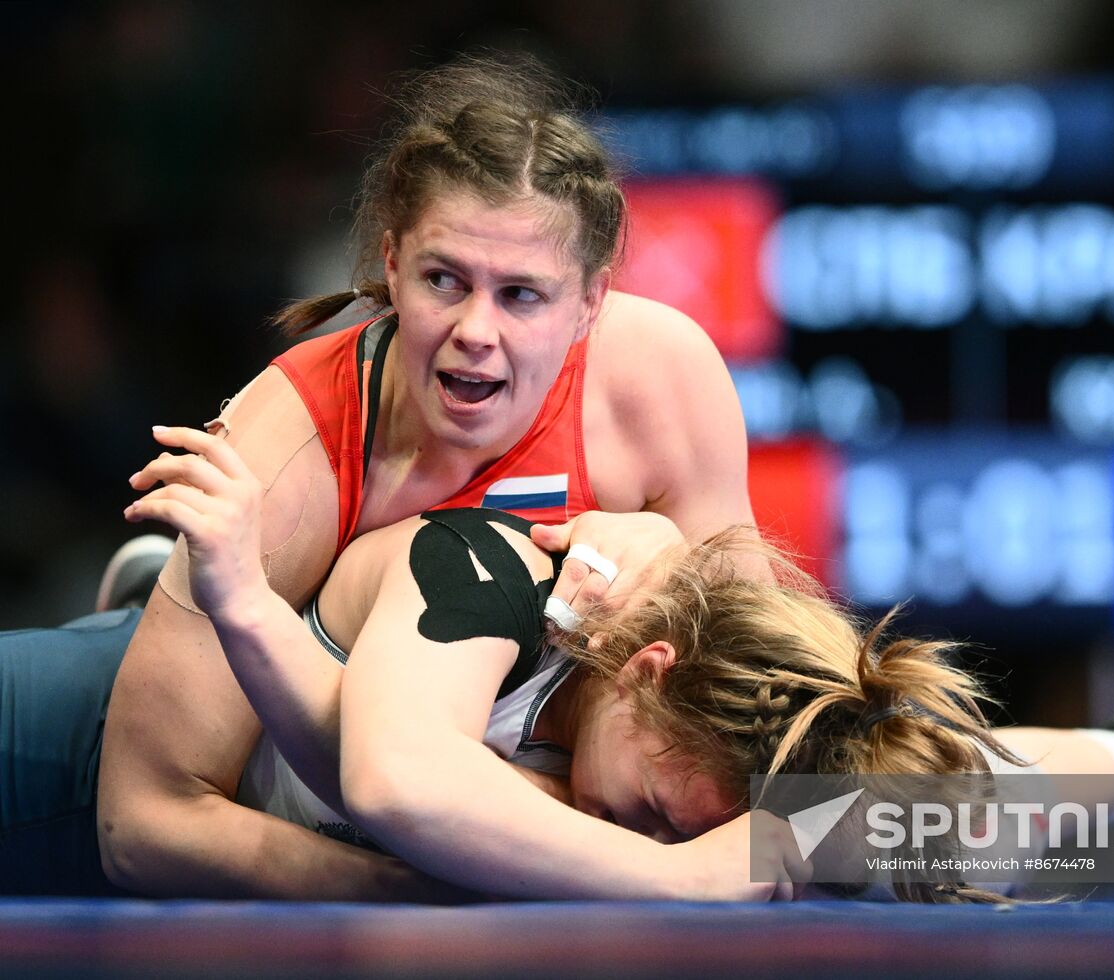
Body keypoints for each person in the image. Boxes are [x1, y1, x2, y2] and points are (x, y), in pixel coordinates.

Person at [105, 425, 1114, 902]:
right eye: (667, 808)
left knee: (864, 815)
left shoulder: (658, 741)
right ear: (649, 664)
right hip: (106, 716)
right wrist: (689, 882)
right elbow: (386, 780)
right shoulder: (495, 580)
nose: (664, 834)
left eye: (679, 829)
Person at [78, 51, 764, 900]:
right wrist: (440, 879)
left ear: (591, 302)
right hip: (96, 742)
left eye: (522, 295)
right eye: (446, 280)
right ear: (391, 265)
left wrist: (667, 549)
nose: (477, 329)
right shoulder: (295, 446)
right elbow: (141, 826)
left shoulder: (659, 384)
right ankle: (156, 604)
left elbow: (758, 724)